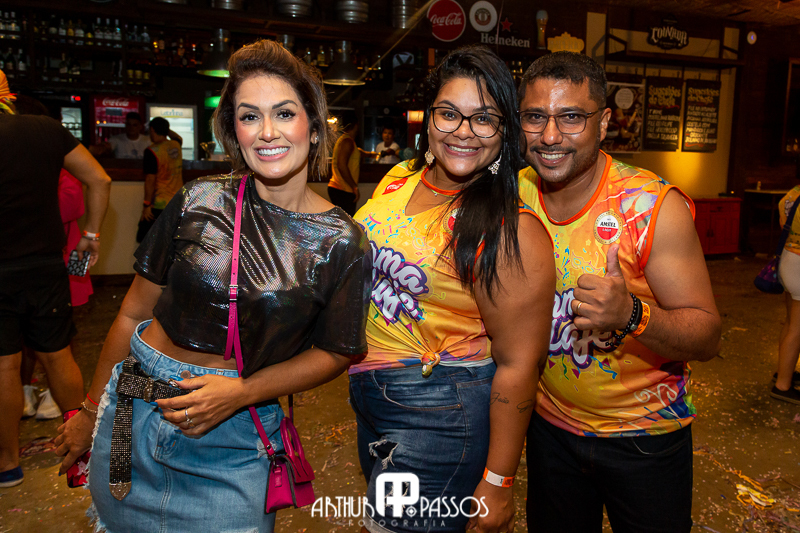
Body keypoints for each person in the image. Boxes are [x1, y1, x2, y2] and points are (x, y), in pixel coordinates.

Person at [55, 40, 370, 532]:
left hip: (235, 439)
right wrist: (91, 411)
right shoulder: (197, 200)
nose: (267, 132)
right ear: (234, 132)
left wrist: (242, 392)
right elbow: (133, 312)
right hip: (131, 416)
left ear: (313, 127)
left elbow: (336, 351)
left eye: (284, 113)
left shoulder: (343, 241)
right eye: (249, 117)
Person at [349, 45, 555, 533]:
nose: (463, 131)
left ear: (504, 132)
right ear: (429, 118)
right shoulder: (399, 179)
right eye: (449, 114)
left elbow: (520, 364)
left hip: (440, 411)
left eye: (483, 119)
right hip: (371, 400)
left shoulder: (511, 229)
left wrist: (498, 481)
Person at [517, 52, 721, 532]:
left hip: (644, 439)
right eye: (535, 117)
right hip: (549, 430)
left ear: (604, 122)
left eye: (571, 117)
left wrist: (631, 314)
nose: (550, 136)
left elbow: (708, 335)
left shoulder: (649, 206)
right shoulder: (514, 192)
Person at [0, 70, 111, 488]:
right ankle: (81, 453)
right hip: (45, 265)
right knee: (58, 354)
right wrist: (91, 235)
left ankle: (7, 464)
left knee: (4, 365)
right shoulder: (45, 130)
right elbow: (99, 178)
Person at [773, 185, 800, 404]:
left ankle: (784, 371)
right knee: (797, 329)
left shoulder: (792, 193)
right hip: (799, 261)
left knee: (790, 322)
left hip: (788, 258)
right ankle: (783, 385)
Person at [136, 116, 184, 242]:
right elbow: (178, 137)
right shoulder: (175, 144)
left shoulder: (152, 151)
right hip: (178, 201)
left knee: (147, 240)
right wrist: (165, 129)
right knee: (170, 241)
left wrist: (146, 205)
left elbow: (150, 180)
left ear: (152, 130)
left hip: (159, 203)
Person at [328, 122, 361, 216]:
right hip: (343, 189)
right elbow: (342, 166)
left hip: (340, 188)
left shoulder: (344, 140)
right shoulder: (347, 142)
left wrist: (370, 155)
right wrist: (354, 186)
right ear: (355, 125)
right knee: (346, 221)